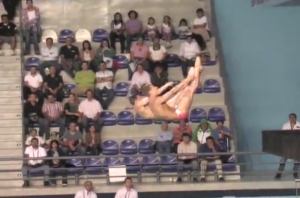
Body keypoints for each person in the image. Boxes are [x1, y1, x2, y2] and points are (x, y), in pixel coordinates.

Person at [275, 113, 300, 179]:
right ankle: (279, 173)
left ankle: (295, 173)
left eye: (293, 117)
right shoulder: (285, 125)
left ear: (295, 118)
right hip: (287, 145)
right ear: (289, 118)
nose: (291, 119)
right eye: (290, 117)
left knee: (297, 160)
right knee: (283, 159)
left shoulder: (299, 125)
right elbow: (283, 135)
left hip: (296, 145)